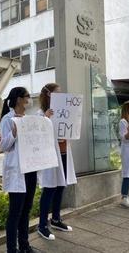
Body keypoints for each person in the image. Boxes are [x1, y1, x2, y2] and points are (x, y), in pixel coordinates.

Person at [0, 87, 39, 253]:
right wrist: (14, 133)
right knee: (15, 212)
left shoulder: (29, 119)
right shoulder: (7, 120)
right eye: (27, 97)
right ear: (18, 99)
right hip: (17, 170)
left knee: (26, 210)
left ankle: (24, 245)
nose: (29, 100)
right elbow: (3, 146)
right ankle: (12, 249)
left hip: (30, 169)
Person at [37, 83, 77, 241]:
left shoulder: (62, 111)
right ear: (48, 94)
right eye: (57, 93)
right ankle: (42, 225)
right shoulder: (41, 113)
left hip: (64, 152)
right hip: (51, 157)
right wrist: (46, 118)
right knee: (49, 188)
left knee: (61, 186)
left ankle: (55, 219)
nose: (60, 95)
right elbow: (38, 134)